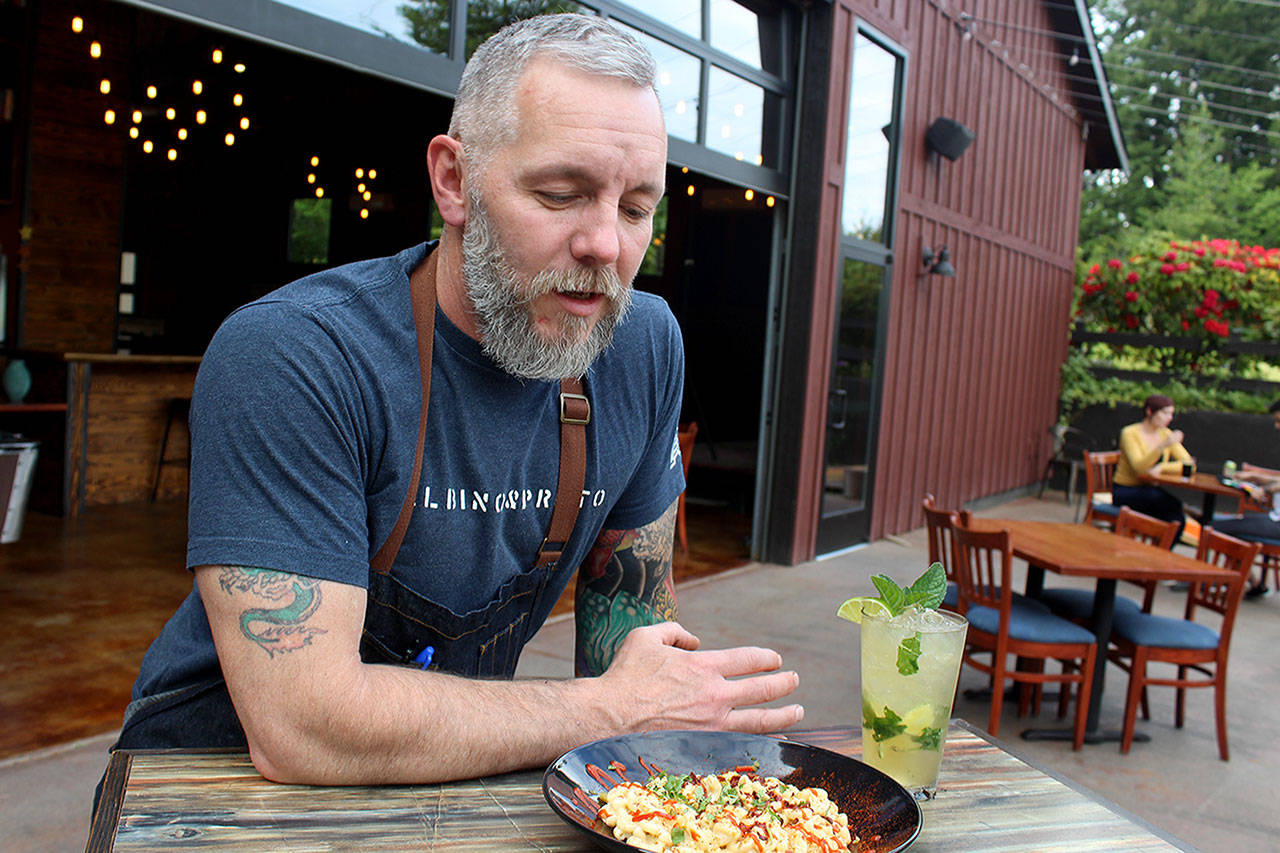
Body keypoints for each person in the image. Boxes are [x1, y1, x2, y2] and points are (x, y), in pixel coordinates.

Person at [107, 14, 801, 789]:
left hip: (440, 775)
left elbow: (634, 672)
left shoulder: (641, 347)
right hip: (209, 782)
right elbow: (302, 728)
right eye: (561, 193)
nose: (606, 244)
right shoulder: (297, 354)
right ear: (453, 181)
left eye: (637, 209)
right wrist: (605, 711)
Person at [1209, 398, 1280, 597]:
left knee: (1214, 528)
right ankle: (1255, 584)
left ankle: (1206, 581)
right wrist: (1253, 477)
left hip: (1277, 522)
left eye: (1279, 421)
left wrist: (1264, 490)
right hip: (1273, 517)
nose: (1276, 426)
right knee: (1233, 525)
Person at [1112, 393, 1194, 545]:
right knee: (1169, 504)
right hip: (1125, 490)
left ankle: (1161, 553)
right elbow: (1140, 468)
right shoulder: (1130, 433)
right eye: (1164, 413)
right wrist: (1162, 446)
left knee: (1177, 518)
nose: (1169, 418)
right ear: (1149, 411)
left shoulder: (1165, 433)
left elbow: (1189, 465)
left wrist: (1162, 467)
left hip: (1149, 491)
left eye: (1171, 414)